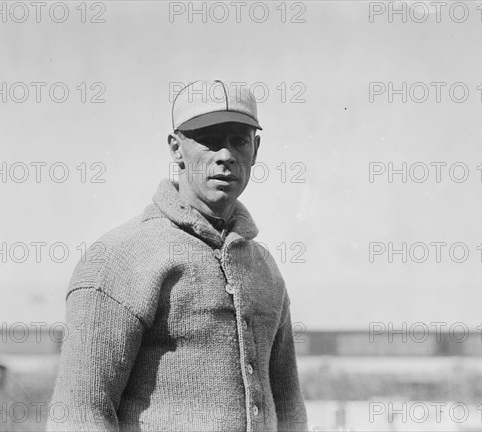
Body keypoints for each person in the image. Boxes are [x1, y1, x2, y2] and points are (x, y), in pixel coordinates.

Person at [46, 80, 308, 432]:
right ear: (176, 148)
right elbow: (79, 414)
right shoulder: (119, 257)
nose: (226, 155)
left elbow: (290, 407)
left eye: (238, 140)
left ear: (255, 150)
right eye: (210, 140)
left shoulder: (264, 268)